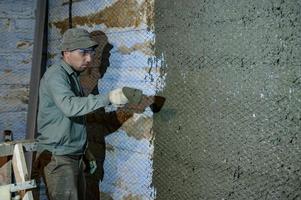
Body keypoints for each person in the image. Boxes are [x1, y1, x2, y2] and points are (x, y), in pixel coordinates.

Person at [32, 28, 143, 200]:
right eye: (83, 53)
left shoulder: (73, 77)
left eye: (91, 53)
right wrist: (110, 97)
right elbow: (70, 107)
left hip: (72, 155)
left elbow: (74, 120)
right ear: (66, 52)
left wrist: (84, 151)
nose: (90, 59)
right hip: (58, 157)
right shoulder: (56, 76)